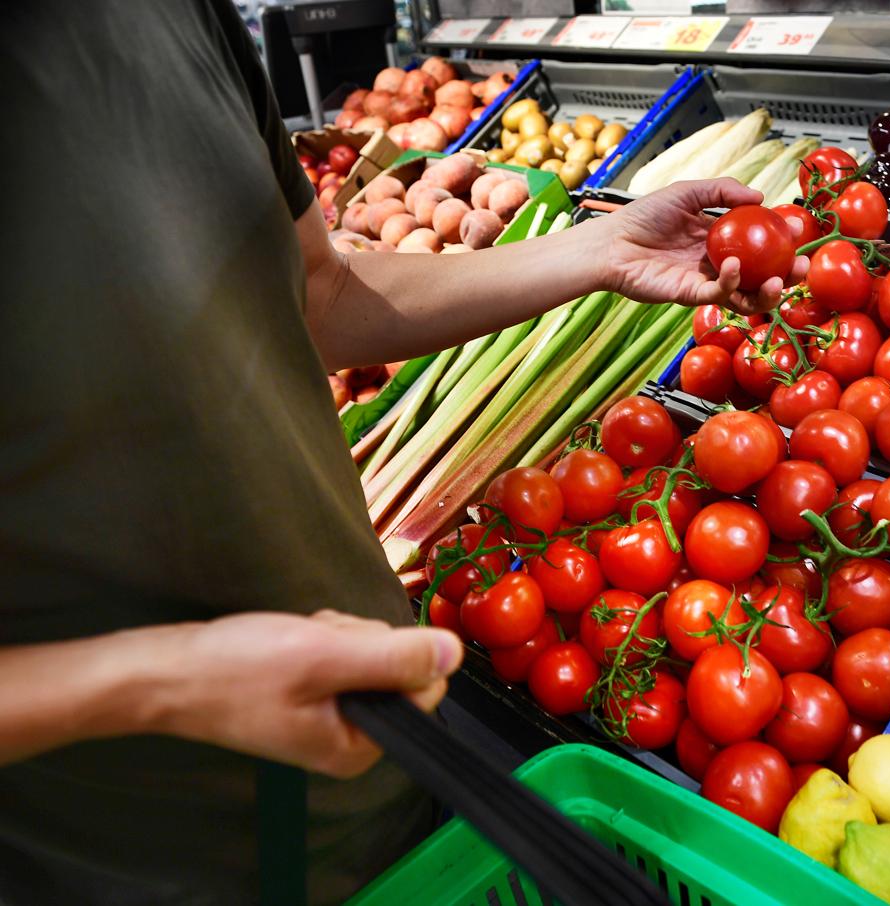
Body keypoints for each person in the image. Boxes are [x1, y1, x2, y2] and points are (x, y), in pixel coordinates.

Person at [0, 2, 804, 903]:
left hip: (385, 743)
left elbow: (321, 293)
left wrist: (599, 249)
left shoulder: (178, 18)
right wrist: (160, 685)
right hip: (134, 855)